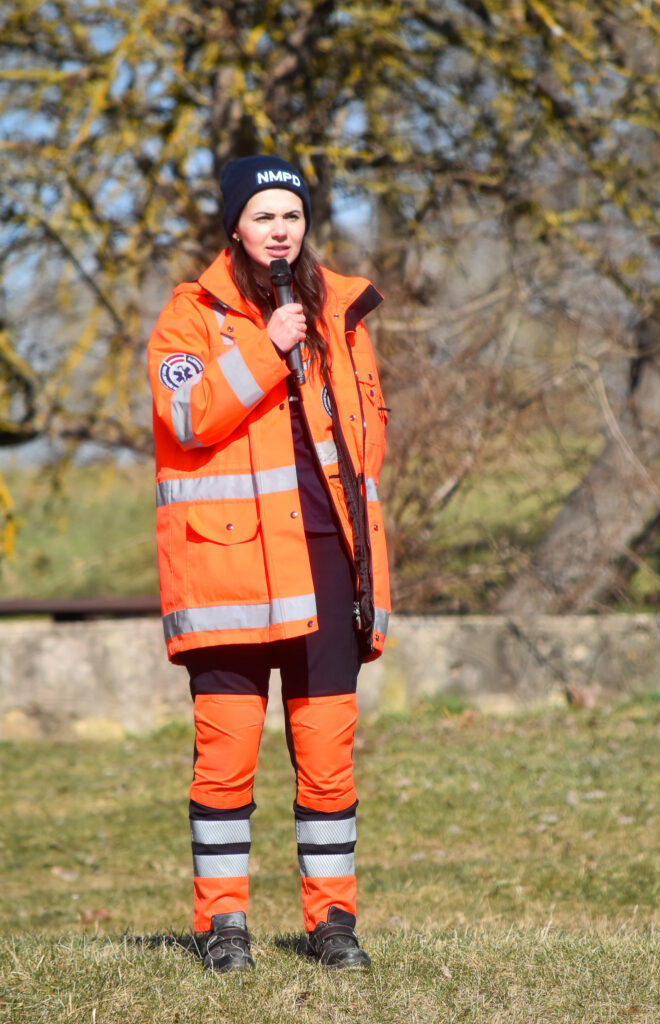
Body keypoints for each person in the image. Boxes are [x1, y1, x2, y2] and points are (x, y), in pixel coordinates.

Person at [147, 155, 391, 972]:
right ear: (235, 228)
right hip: (229, 577)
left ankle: (334, 924)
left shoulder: (341, 313)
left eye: (292, 215)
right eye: (263, 216)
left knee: (327, 761)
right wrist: (263, 346)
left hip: (329, 566)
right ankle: (224, 927)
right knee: (225, 762)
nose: (280, 230)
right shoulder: (189, 316)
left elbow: (365, 444)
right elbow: (186, 416)